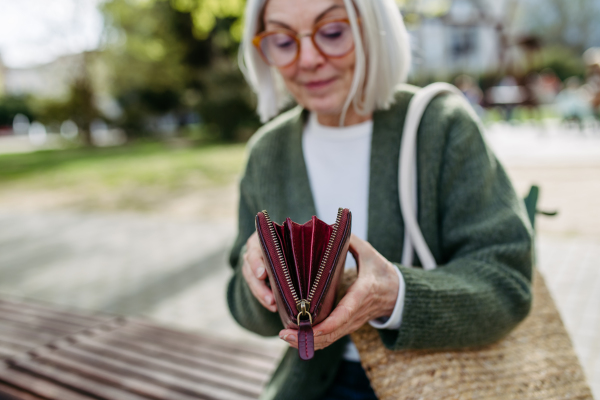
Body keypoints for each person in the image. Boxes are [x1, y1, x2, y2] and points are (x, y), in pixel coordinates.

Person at [227, 0, 534, 399]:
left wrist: (397, 294)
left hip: (436, 382)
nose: (308, 59)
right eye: (283, 41)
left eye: (333, 33)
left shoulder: (439, 127)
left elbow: (508, 283)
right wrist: (260, 283)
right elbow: (239, 300)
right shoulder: (267, 152)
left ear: (372, 28)